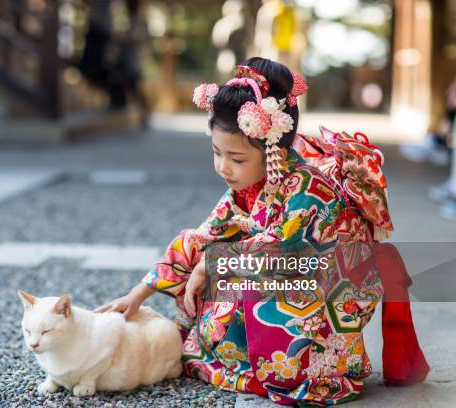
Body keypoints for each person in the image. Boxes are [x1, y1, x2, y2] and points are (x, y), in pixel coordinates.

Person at [95, 57, 429, 405]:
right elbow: (206, 232)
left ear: (273, 148)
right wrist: (138, 293)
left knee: (228, 282)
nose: (224, 168)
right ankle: (232, 351)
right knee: (200, 249)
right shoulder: (254, 181)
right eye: (216, 152)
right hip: (278, 273)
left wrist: (211, 264)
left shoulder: (309, 191)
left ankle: (299, 364)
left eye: (237, 159)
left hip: (326, 291)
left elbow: (277, 248)